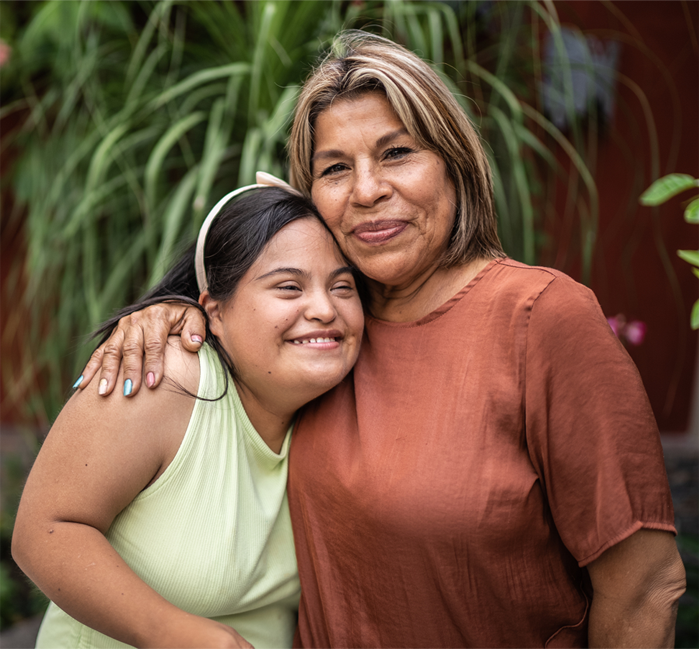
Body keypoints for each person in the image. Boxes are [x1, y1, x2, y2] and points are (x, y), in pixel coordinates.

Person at [73, 31, 685, 648]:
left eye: (397, 154)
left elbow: (644, 586)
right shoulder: (325, 329)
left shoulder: (542, 319)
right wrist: (171, 314)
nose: (366, 190)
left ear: (455, 163)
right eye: (336, 168)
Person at [11, 182, 364, 649]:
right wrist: (172, 633)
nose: (324, 309)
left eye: (343, 287)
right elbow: (44, 531)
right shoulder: (162, 376)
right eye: (288, 287)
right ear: (213, 312)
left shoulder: (340, 401)